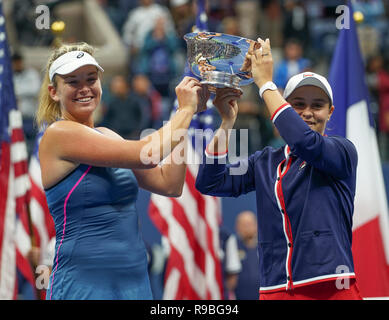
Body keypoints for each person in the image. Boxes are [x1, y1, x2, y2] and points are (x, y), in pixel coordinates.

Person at [36, 42, 209, 300]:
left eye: (91, 79)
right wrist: (183, 110)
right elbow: (148, 154)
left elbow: (169, 184)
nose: (85, 88)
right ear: (54, 92)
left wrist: (187, 118)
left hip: (135, 285)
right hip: (82, 287)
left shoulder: (108, 135)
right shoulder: (58, 134)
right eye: (73, 82)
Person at [195, 37, 363, 300]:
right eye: (298, 105)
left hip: (330, 288)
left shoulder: (342, 151)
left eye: (317, 106)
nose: (308, 112)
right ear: (285, 107)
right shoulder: (265, 162)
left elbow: (304, 142)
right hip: (275, 290)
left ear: (330, 112)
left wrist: (265, 84)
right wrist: (227, 123)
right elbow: (210, 183)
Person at [234, 211, 260, 300]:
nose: (247, 228)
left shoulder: (264, 248)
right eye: (244, 225)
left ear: (256, 225)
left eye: (249, 224)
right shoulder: (232, 247)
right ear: (237, 227)